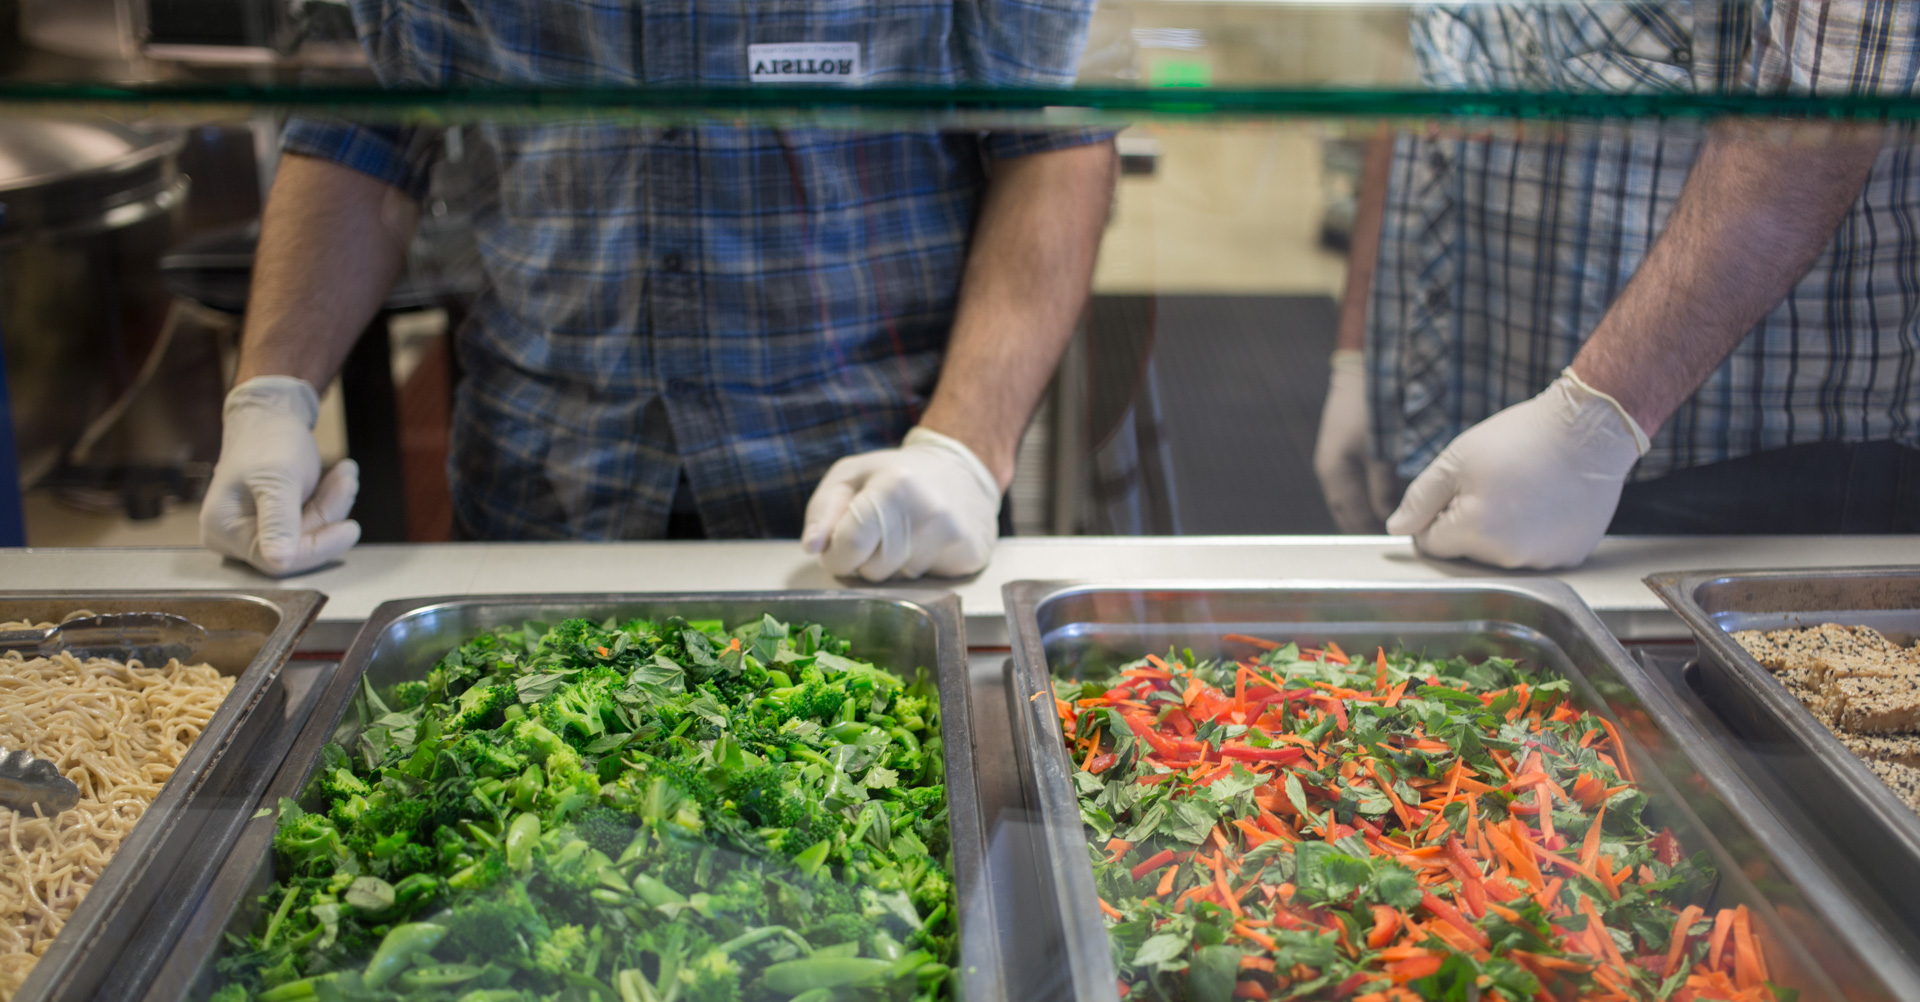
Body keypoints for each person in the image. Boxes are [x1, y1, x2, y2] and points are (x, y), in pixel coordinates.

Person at [201, 1, 1113, 580]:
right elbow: (363, 129)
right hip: (539, 505)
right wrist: (272, 394)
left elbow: (1053, 133)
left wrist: (963, 447)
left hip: (877, 511)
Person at [1315, 0, 1920, 569]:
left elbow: (1831, 96)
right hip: (1475, 383)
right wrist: (1362, 340)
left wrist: (1595, 422)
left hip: (1724, 454)